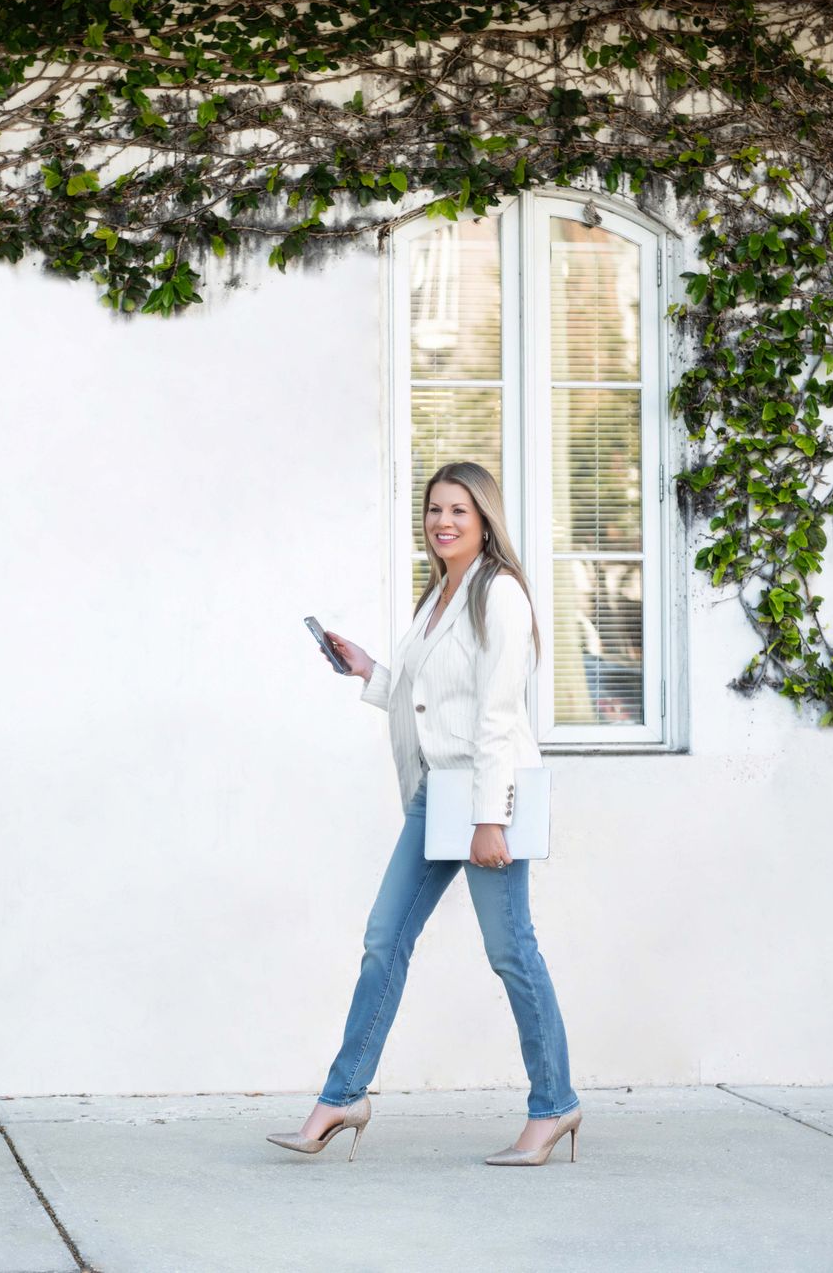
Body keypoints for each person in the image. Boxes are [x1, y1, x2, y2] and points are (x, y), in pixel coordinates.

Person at [266, 461, 583, 1166]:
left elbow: (499, 713)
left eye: (458, 512)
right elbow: (434, 700)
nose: (442, 522)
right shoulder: (440, 593)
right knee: (385, 939)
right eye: (435, 510)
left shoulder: (498, 595)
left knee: (510, 952)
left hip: (479, 799)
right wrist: (371, 671)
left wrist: (492, 818)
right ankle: (343, 1095)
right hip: (433, 797)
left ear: (485, 519)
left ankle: (555, 1106)